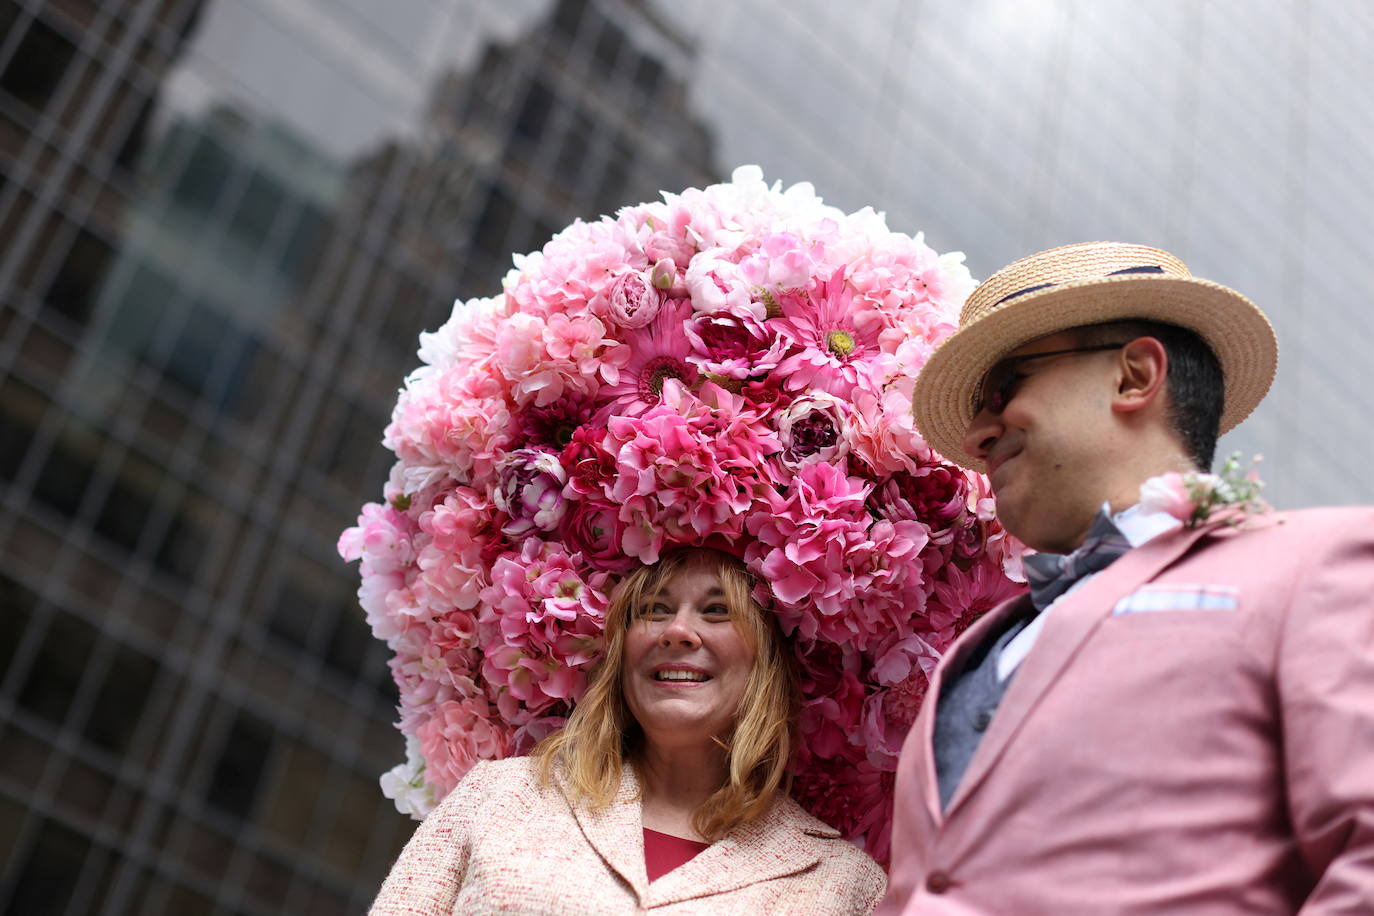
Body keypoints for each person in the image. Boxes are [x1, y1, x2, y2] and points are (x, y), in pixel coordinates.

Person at [878, 241, 1374, 913]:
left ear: (1135, 376)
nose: (976, 435)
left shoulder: (1321, 564)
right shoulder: (970, 656)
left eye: (1004, 389)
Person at [370, 547, 886, 915]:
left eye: (717, 610)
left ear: (773, 660)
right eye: (655, 609)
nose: (677, 631)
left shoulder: (847, 889)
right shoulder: (500, 795)